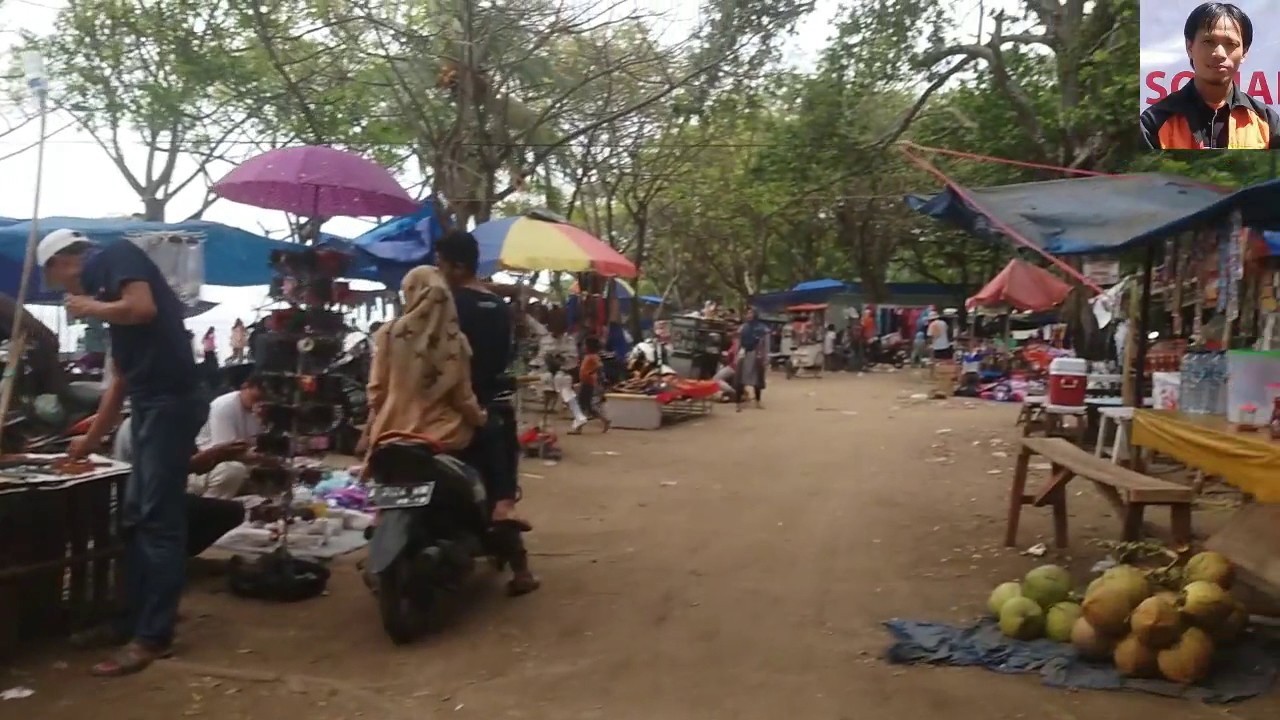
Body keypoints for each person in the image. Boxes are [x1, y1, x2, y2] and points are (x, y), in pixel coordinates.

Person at [39, 228, 205, 676]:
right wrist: (91, 440)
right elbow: (120, 380)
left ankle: (153, 636)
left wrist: (88, 306)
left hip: (171, 402)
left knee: (158, 519)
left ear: (63, 262)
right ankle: (131, 620)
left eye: (59, 280)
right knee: (133, 520)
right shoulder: (110, 300)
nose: (67, 291)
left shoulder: (114, 256)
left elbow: (143, 307)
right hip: (151, 404)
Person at [433, 230, 539, 595]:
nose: (439, 270)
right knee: (500, 489)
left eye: (441, 263)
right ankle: (521, 571)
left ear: (457, 266)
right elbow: (505, 355)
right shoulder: (499, 307)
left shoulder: (447, 304)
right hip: (493, 402)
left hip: (452, 407)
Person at [1141, 3, 1279, 150]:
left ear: (1244, 52)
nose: (1219, 53)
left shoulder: (1267, 122)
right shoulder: (1153, 123)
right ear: (1189, 47)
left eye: (1231, 44)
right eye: (1208, 42)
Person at [191, 376, 265, 499]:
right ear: (245, 387)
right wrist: (261, 456)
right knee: (234, 470)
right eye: (256, 398)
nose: (259, 403)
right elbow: (226, 452)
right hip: (209, 467)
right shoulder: (225, 405)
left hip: (247, 461)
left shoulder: (261, 411)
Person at [572, 336, 609, 434]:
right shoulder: (588, 356)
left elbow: (599, 366)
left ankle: (578, 428)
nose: (584, 347)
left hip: (588, 382)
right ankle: (604, 420)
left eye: (585, 345)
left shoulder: (593, 356)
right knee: (587, 406)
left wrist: (591, 372)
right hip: (586, 382)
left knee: (580, 405)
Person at [735, 308, 769, 411]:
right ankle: (738, 403)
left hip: (756, 354)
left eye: (751, 313)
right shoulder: (743, 328)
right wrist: (737, 355)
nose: (749, 315)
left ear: (755, 314)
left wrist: (765, 358)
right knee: (740, 379)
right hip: (744, 354)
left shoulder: (762, 328)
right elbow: (738, 342)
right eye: (747, 313)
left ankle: (758, 401)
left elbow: (766, 345)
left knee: (757, 379)